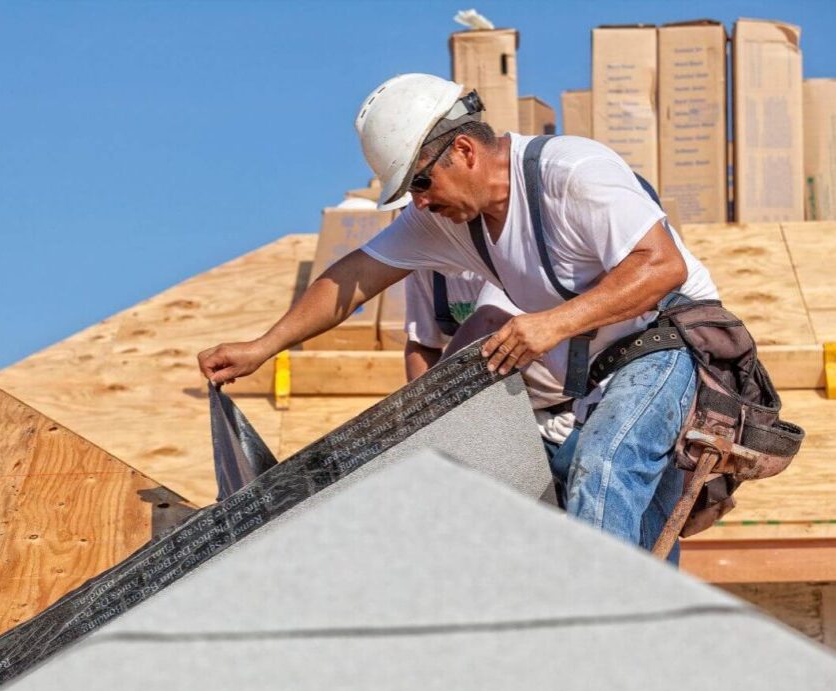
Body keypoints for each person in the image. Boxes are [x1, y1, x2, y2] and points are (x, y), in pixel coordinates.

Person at [198, 73, 718, 563]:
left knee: (602, 469)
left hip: (669, 343)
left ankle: (603, 644)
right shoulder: (442, 223)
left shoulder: (572, 172)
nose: (420, 202)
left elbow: (662, 266)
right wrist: (262, 348)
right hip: (590, 376)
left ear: (464, 151)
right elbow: (354, 275)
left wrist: (552, 324)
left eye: (421, 182)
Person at [403, 269, 576, 467]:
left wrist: (427, 419)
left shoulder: (511, 253)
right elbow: (423, 345)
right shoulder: (427, 266)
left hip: (568, 416)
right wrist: (426, 422)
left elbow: (488, 322)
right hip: (497, 423)